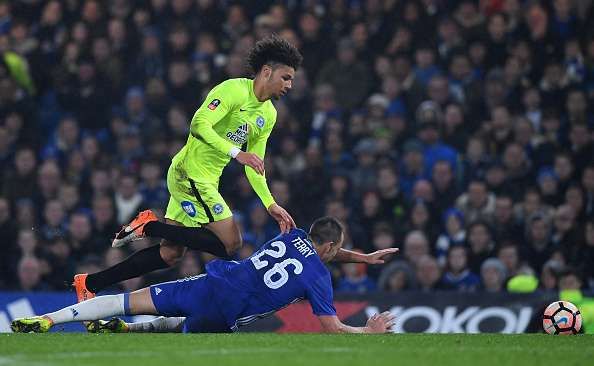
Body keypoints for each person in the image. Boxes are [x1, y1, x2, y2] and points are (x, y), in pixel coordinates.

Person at [72, 35, 304, 302]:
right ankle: (149, 227)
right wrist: (236, 153)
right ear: (267, 72)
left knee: (170, 253)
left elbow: (255, 164)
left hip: (204, 179)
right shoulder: (232, 91)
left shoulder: (269, 114)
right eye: (286, 77)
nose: (290, 85)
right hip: (190, 173)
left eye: (292, 79)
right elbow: (198, 124)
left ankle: (90, 283)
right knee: (232, 243)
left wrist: (269, 203)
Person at [12, 217, 396, 334]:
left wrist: (359, 255)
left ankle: (49, 319)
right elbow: (330, 327)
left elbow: (320, 251)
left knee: (131, 300)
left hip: (215, 281)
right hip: (228, 312)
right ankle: (129, 331)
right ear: (329, 249)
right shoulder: (319, 278)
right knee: (184, 330)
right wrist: (367, 331)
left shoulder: (293, 232)